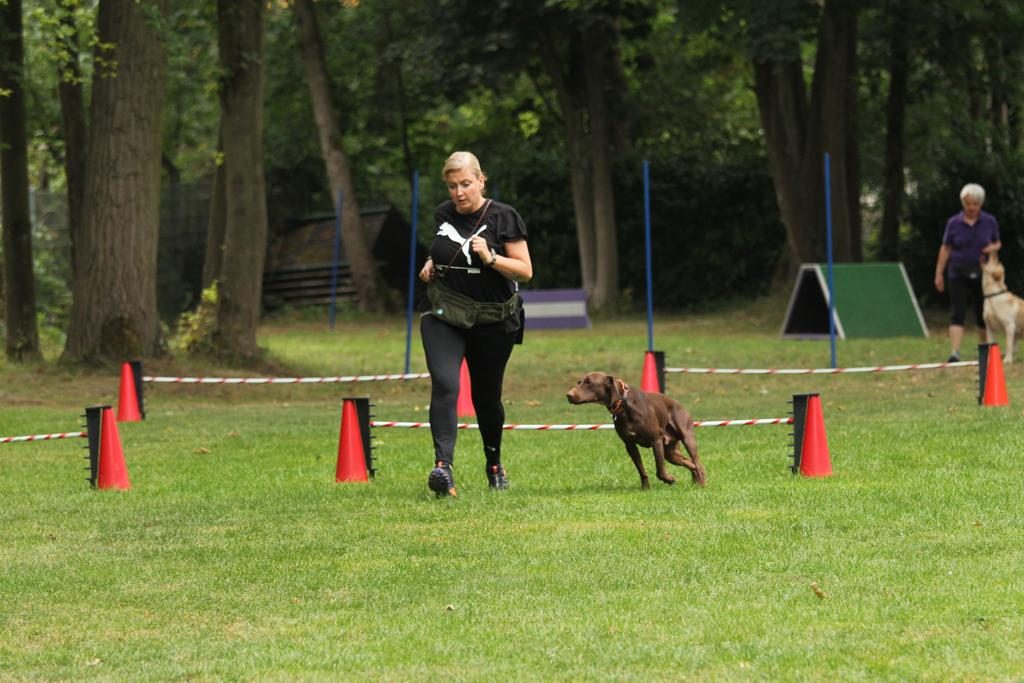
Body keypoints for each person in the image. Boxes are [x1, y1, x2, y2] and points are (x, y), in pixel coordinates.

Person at [418, 151, 533, 497]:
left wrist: (491, 257)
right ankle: (443, 469)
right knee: (445, 383)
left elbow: (525, 271)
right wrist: (430, 263)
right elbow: (442, 248)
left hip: (493, 319)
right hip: (445, 314)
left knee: (486, 397)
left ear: (481, 180)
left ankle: (494, 465)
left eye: (466, 183)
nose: (459, 192)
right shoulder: (443, 213)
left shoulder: (504, 217)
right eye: (452, 186)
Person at [934, 183, 1001, 362]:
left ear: (981, 204)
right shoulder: (953, 223)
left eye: (975, 204)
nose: (971, 207)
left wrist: (991, 248)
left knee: (982, 312)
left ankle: (984, 351)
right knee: (957, 311)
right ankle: (955, 353)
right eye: (968, 204)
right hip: (957, 272)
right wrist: (939, 273)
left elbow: (997, 243)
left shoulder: (989, 221)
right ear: (963, 203)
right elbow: (946, 248)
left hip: (982, 273)